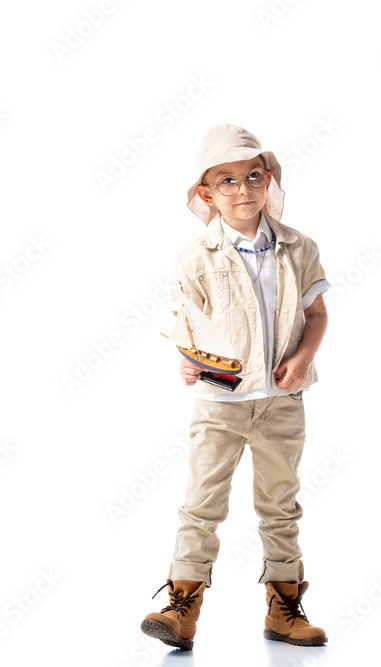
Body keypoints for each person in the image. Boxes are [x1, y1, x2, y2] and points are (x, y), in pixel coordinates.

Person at [140, 124, 331, 649]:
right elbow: (190, 328)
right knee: (202, 504)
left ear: (269, 180)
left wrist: (302, 357)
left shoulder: (299, 249)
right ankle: (182, 608)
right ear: (206, 193)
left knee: (280, 504)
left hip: (280, 402)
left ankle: (284, 608)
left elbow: (316, 314)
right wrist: (186, 362)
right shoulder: (195, 258)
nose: (243, 189)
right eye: (227, 181)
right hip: (219, 403)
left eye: (253, 176)